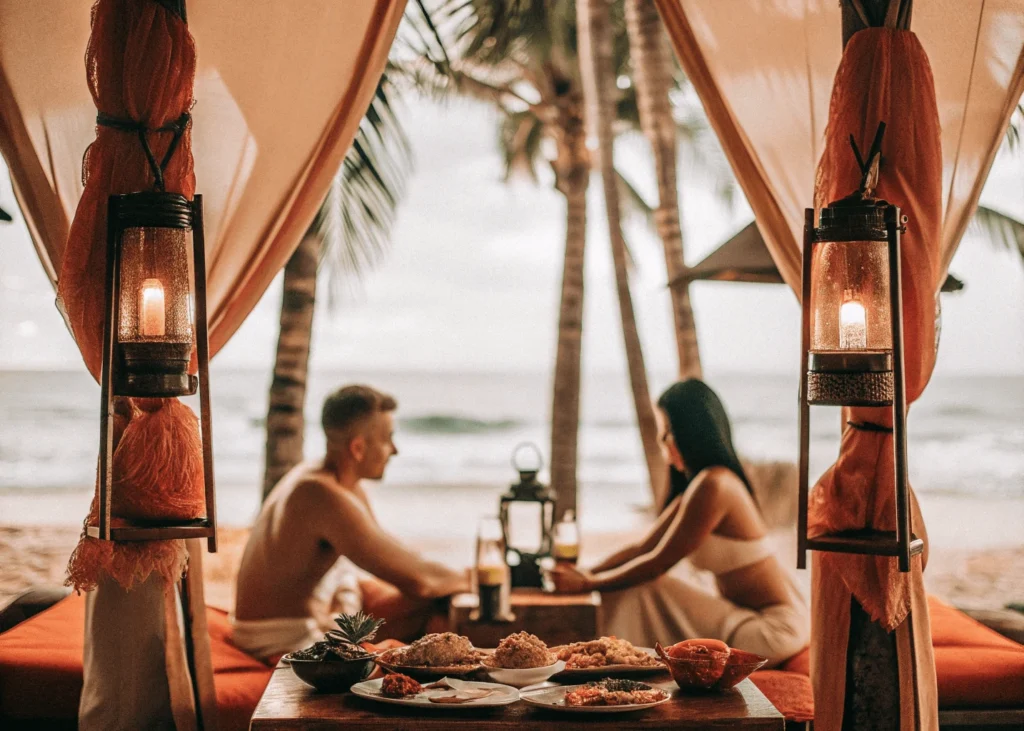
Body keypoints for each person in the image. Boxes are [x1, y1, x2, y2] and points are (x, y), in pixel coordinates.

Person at [550, 379, 808, 666]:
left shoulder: (714, 484)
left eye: (666, 434)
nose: (663, 445)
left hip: (770, 629)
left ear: (689, 433)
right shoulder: (698, 488)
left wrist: (588, 584)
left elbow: (657, 562)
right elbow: (641, 548)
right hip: (745, 617)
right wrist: (584, 572)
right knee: (636, 586)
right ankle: (617, 663)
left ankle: (617, 668)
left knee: (645, 587)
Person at [232, 385, 469, 661]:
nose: (395, 450)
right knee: (432, 603)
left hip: (306, 619)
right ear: (358, 448)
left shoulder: (333, 481)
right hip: (279, 637)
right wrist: (478, 578)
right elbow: (422, 582)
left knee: (432, 602)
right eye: (388, 439)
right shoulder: (319, 494)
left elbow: (396, 558)